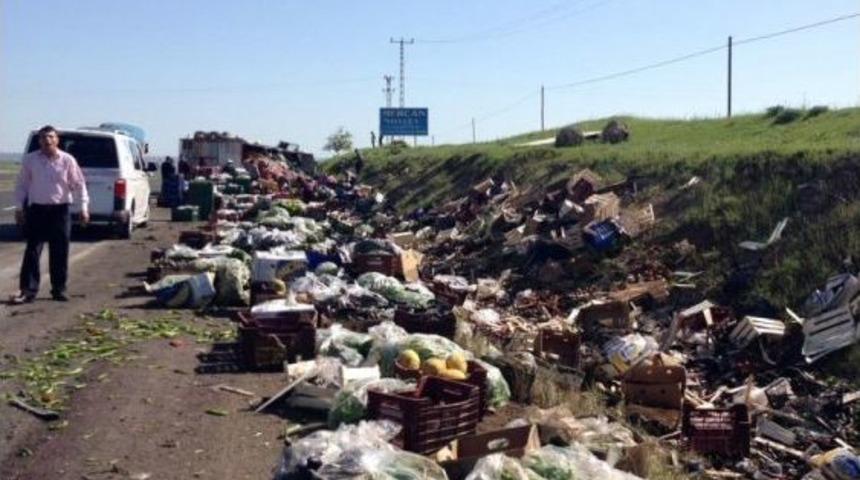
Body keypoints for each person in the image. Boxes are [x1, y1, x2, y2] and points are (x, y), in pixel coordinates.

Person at [11, 125, 89, 304]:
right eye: (43, 138)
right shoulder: (30, 160)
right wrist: (19, 208)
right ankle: (28, 290)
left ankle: (59, 289)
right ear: (39, 141)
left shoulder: (67, 160)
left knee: (59, 251)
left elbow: (79, 184)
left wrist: (84, 207)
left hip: (60, 211)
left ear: (57, 140)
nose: (47, 141)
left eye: (51, 137)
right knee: (32, 250)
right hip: (37, 210)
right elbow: (22, 184)